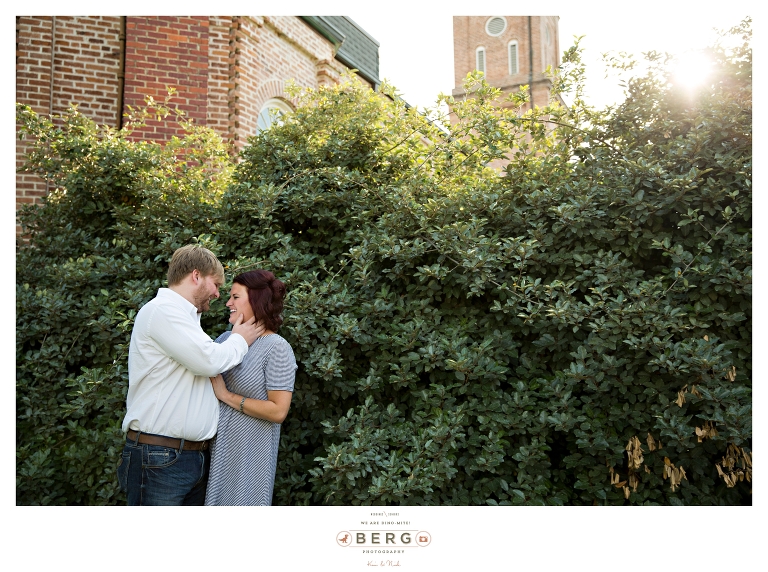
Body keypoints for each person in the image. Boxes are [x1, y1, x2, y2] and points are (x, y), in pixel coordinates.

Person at [118, 245, 264, 506]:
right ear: (196, 276)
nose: (219, 294)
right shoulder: (162, 312)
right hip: (160, 458)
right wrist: (239, 340)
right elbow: (208, 361)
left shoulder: (186, 319)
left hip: (186, 457)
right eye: (216, 284)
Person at [204, 269, 297, 506]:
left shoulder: (277, 348)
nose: (228, 303)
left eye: (235, 297)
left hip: (249, 457)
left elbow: (278, 411)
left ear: (256, 300)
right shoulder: (224, 341)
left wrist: (226, 395)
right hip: (214, 452)